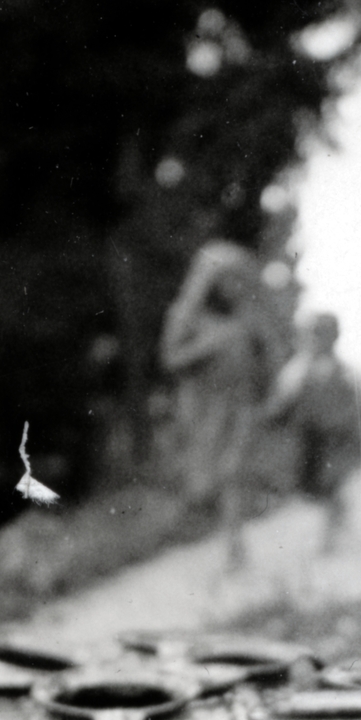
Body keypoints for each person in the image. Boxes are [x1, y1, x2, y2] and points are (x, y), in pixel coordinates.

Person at [159, 241, 294, 569]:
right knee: (212, 478)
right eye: (224, 281)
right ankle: (228, 535)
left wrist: (274, 392)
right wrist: (209, 345)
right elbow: (171, 359)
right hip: (205, 409)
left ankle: (235, 546)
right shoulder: (186, 315)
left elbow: (274, 352)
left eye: (238, 281)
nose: (232, 289)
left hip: (243, 405)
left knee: (234, 472)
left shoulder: (249, 314)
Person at [264, 312, 358, 553]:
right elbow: (281, 400)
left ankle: (330, 537)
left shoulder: (341, 368)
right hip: (311, 435)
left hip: (336, 435)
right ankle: (337, 513)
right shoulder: (298, 369)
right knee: (310, 486)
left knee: (332, 481)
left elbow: (353, 399)